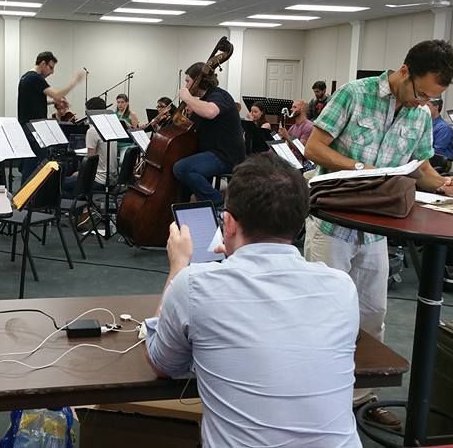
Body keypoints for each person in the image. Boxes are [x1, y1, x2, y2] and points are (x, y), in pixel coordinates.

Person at [303, 39, 453, 429]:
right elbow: (314, 146)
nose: (421, 103)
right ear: (405, 71)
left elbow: (419, 168)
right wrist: (357, 167)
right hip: (332, 226)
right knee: (323, 317)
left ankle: (364, 399)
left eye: (431, 98)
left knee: (372, 317)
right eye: (421, 93)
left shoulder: (420, 115)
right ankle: (314, 398)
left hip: (377, 233)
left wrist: (442, 185)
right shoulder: (354, 95)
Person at [145, 153, 361, 447]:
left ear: (229, 223)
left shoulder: (194, 285)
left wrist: (178, 266)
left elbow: (162, 364)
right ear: (299, 223)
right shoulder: (342, 287)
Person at [173, 62, 246, 206]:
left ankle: (217, 201)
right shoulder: (203, 100)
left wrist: (188, 98)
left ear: (198, 80)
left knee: (182, 168)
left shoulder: (219, 95)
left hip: (226, 156)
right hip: (211, 153)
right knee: (182, 169)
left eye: (188, 81)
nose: (186, 85)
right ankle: (189, 208)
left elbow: (211, 112)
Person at [18, 51, 86, 180]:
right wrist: (75, 82)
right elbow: (57, 94)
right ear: (43, 63)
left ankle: (27, 196)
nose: (52, 72)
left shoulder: (25, 77)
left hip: (27, 127)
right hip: (33, 129)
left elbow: (34, 101)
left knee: (32, 163)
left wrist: (53, 101)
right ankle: (28, 196)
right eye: (51, 67)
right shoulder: (35, 78)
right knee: (36, 165)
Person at [62, 97, 118, 198]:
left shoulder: (92, 130)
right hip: (112, 179)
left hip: (98, 180)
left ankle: (75, 208)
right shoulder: (111, 127)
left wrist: (79, 173)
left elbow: (90, 162)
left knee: (59, 183)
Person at [427, 98, 453, 163]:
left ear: (436, 107)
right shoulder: (424, 123)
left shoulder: (444, 128)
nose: (424, 108)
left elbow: (438, 151)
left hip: (438, 161)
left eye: (428, 105)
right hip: (427, 159)